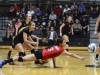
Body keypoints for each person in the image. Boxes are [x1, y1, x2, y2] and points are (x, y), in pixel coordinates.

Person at [0, 38, 85, 68]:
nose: (65, 43)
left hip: (41, 53)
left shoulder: (56, 47)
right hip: (40, 54)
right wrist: (80, 58)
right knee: (22, 59)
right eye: (64, 42)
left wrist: (55, 66)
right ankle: (4, 61)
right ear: (60, 44)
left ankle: (38, 61)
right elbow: (71, 54)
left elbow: (53, 56)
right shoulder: (61, 49)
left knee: (23, 59)